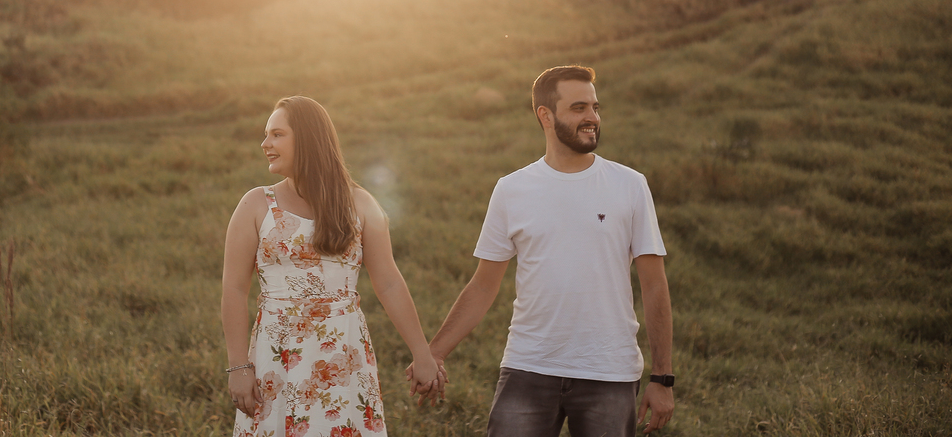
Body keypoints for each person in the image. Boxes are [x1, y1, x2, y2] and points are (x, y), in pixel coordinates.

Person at [410, 65, 674, 436]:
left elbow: (654, 285)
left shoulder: (629, 185)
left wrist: (663, 377)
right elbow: (484, 286)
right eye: (579, 108)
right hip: (528, 367)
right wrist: (434, 352)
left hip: (608, 372)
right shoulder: (511, 189)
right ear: (545, 115)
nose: (592, 118)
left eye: (596, 108)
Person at [222, 96, 442, 436]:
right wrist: (238, 366)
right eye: (267, 135)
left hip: (343, 355)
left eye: (277, 134)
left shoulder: (360, 204)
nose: (265, 144)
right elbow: (234, 288)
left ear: (307, 139)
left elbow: (389, 284)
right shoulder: (255, 204)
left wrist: (422, 353)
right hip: (277, 356)